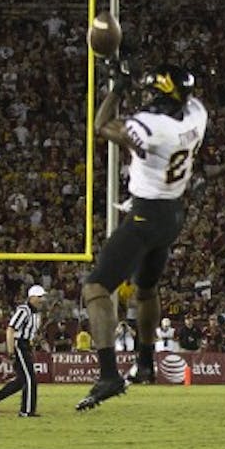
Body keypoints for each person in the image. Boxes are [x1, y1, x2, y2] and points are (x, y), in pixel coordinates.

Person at [76, 63, 208, 411]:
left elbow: (101, 125)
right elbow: (182, 97)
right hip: (173, 214)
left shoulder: (153, 129)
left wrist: (117, 88)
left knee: (96, 288)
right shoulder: (196, 115)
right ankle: (146, 363)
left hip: (145, 214)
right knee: (146, 289)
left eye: (152, 93)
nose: (147, 98)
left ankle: (108, 374)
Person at [0, 285, 46, 417]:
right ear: (32, 297)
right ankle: (27, 411)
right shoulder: (24, 310)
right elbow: (11, 329)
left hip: (26, 346)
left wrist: (35, 342)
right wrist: (11, 351)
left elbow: (31, 333)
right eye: (40, 297)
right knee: (30, 379)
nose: (42, 300)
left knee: (21, 380)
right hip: (20, 345)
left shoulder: (36, 314)